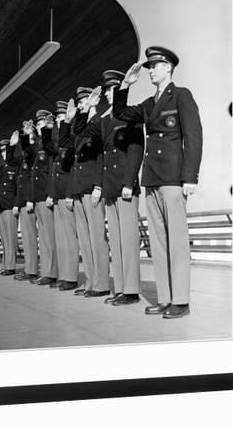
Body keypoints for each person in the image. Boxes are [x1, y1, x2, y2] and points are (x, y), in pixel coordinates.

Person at [113, 46, 203, 319]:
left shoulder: (181, 95)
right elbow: (120, 113)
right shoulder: (149, 105)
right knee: (159, 241)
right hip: (152, 177)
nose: (150, 70)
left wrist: (190, 177)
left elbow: (193, 136)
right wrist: (125, 85)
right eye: (149, 66)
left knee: (176, 241)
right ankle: (165, 299)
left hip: (173, 178)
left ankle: (181, 300)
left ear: (168, 68)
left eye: (155, 65)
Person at [82, 70, 144, 306]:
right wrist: (89, 108)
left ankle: (131, 291)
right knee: (116, 240)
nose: (109, 94)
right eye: (107, 90)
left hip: (124, 186)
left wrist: (129, 182)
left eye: (112, 89)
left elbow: (136, 149)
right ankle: (120, 288)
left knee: (128, 240)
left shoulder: (131, 115)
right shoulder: (105, 119)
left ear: (121, 89)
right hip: (110, 187)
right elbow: (85, 132)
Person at [65, 88, 110, 298]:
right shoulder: (79, 128)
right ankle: (91, 281)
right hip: (79, 188)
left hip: (92, 188)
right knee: (84, 239)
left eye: (84, 101)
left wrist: (99, 186)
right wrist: (67, 121)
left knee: (96, 237)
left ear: (93, 101)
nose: (81, 104)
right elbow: (65, 145)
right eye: (80, 102)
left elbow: (102, 156)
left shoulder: (100, 121)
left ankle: (101, 284)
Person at [43, 101, 79, 291]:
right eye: (57, 117)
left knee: (69, 237)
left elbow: (73, 168)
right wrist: (47, 130)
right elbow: (49, 150)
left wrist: (70, 193)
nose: (58, 119)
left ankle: (71, 277)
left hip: (67, 192)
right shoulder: (59, 138)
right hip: (57, 193)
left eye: (61, 116)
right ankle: (64, 275)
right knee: (61, 238)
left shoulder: (71, 135)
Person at [20, 110, 58, 286]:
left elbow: (51, 171)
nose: (40, 125)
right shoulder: (40, 144)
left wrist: (51, 193)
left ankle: (51, 272)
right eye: (39, 124)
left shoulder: (50, 143)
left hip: (46, 195)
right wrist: (27, 135)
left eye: (42, 123)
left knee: (49, 236)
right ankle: (46, 271)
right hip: (38, 197)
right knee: (43, 237)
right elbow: (30, 152)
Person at [0, 134, 21, 276]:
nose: (3, 153)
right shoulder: (1, 168)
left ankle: (10, 267)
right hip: (0, 206)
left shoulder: (16, 165)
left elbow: (20, 186)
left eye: (5, 150)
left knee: (10, 237)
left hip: (10, 206)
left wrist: (17, 205)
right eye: (1, 151)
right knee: (3, 236)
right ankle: (5, 265)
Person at [12, 127, 39, 281]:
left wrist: (29, 199)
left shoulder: (34, 154)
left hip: (30, 201)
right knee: (27, 238)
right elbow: (20, 183)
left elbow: (32, 180)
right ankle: (29, 268)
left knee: (30, 238)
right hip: (23, 202)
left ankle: (32, 270)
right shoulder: (25, 157)